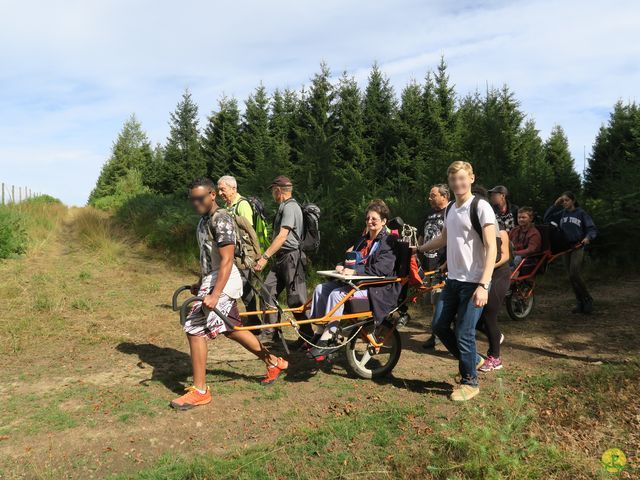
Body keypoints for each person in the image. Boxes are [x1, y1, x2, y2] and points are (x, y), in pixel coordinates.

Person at [170, 178, 288, 410]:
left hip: (224, 281)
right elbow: (209, 258)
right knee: (230, 329)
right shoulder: (204, 222)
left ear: (212, 195)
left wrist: (214, 293)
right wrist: (200, 282)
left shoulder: (221, 219)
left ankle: (201, 390)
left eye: (200, 198)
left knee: (196, 327)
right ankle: (274, 362)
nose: (196, 203)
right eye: (192, 199)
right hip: (213, 279)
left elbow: (226, 261)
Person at [416, 161, 497, 402]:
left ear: (471, 178)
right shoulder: (451, 208)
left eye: (462, 179)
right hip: (453, 281)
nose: (458, 184)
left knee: (464, 332)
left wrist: (484, 285)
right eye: (453, 180)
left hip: (475, 282)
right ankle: (473, 359)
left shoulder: (481, 207)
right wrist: (419, 248)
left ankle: (470, 382)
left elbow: (492, 248)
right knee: (439, 326)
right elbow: (443, 238)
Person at [307, 199, 402, 359]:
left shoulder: (388, 241)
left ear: (384, 221)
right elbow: (350, 260)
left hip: (377, 288)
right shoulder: (363, 239)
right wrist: (340, 265)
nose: (369, 221)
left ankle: (329, 338)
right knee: (320, 289)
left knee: (337, 294)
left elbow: (382, 269)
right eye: (368, 218)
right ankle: (320, 331)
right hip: (358, 282)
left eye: (374, 219)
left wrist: (353, 271)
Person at [255, 176, 313, 343]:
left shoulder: (290, 207)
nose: (273, 194)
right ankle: (270, 333)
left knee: (296, 299)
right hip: (281, 258)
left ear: (278, 190)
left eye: (273, 190)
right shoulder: (285, 206)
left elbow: (282, 236)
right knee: (267, 291)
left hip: (291, 259)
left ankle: (308, 335)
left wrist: (265, 257)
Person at [217, 175, 259, 330]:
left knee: (246, 289)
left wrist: (253, 258)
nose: (220, 192)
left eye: (223, 189)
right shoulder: (229, 206)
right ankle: (242, 319)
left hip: (244, 256)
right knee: (237, 287)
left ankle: (255, 323)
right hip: (234, 254)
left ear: (233, 188)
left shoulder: (242, 205)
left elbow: (249, 233)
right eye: (219, 189)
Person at [544, 191, 597, 314]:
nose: (564, 203)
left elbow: (592, 228)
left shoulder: (581, 213)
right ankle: (580, 302)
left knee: (574, 273)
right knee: (570, 276)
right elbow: (547, 218)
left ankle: (588, 299)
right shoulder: (562, 213)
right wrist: (554, 205)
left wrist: (588, 238)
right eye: (563, 201)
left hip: (578, 245)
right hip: (565, 248)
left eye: (566, 200)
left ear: (573, 200)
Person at [476, 217, 511, 372]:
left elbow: (505, 256)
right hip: (481, 275)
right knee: (475, 316)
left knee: (489, 315)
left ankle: (495, 358)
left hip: (499, 275)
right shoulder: (477, 230)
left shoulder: (500, 230)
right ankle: (496, 336)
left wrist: (487, 267)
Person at [417, 184, 449, 350]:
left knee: (438, 298)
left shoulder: (451, 212)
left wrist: (447, 263)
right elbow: (422, 236)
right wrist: (418, 253)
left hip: (443, 263)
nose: (429, 198)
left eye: (433, 195)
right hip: (428, 261)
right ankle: (440, 329)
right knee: (433, 300)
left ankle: (437, 334)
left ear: (444, 196)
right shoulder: (428, 214)